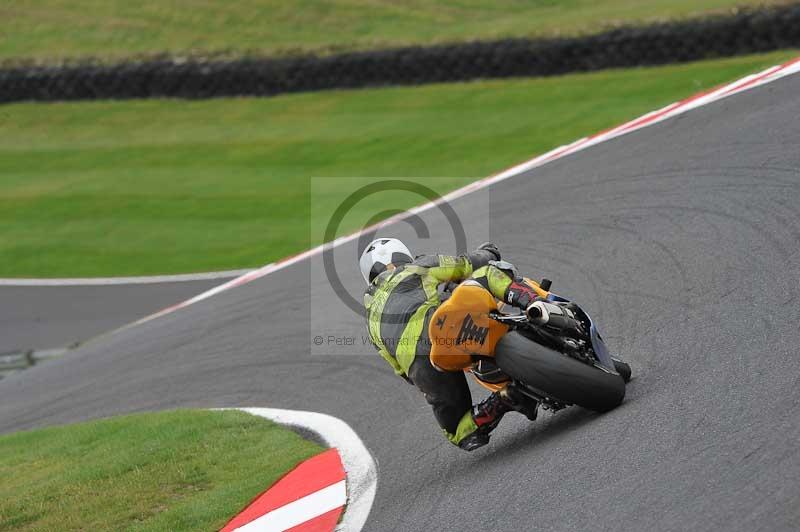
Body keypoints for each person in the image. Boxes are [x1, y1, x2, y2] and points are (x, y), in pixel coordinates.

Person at [360, 238, 542, 451]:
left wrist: (424, 379)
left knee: (457, 431)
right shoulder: (415, 267)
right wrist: (489, 252)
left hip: (420, 365)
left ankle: (503, 400)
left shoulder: (370, 321)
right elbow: (465, 264)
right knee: (487, 273)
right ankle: (533, 303)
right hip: (440, 325)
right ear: (403, 256)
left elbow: (398, 368)